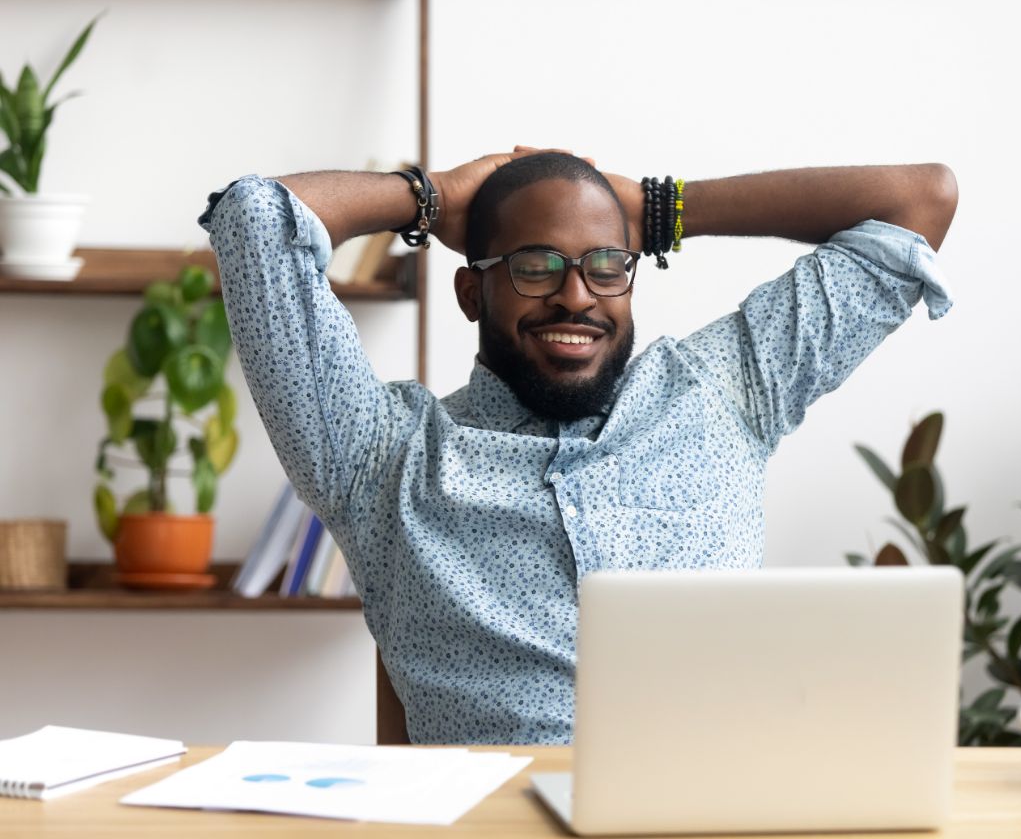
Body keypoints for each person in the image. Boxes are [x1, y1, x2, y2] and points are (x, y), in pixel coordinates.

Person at [199, 148, 958, 744]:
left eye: (605, 265)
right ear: (472, 293)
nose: (577, 295)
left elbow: (920, 200)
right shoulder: (379, 456)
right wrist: (433, 198)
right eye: (535, 267)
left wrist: (658, 209)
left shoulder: (724, 390)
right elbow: (256, 218)